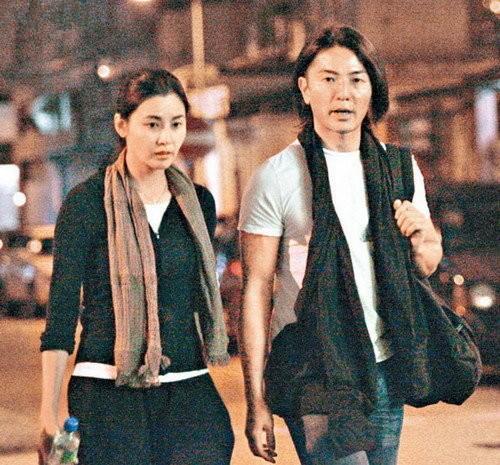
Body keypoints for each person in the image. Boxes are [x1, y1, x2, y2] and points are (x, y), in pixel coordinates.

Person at [238, 26, 443, 465]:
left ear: (372, 89)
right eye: (328, 79)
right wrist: (256, 401)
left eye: (355, 79)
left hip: (383, 364)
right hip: (314, 368)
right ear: (305, 88)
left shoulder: (398, 168)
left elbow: (425, 264)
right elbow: (256, 290)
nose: (343, 93)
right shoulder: (277, 176)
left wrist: (424, 236)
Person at [39, 69, 234, 465]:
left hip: (188, 386)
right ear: (122, 125)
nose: (166, 138)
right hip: (106, 393)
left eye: (176, 124)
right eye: (152, 124)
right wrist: (48, 409)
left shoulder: (197, 203)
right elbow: (61, 315)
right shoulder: (86, 203)